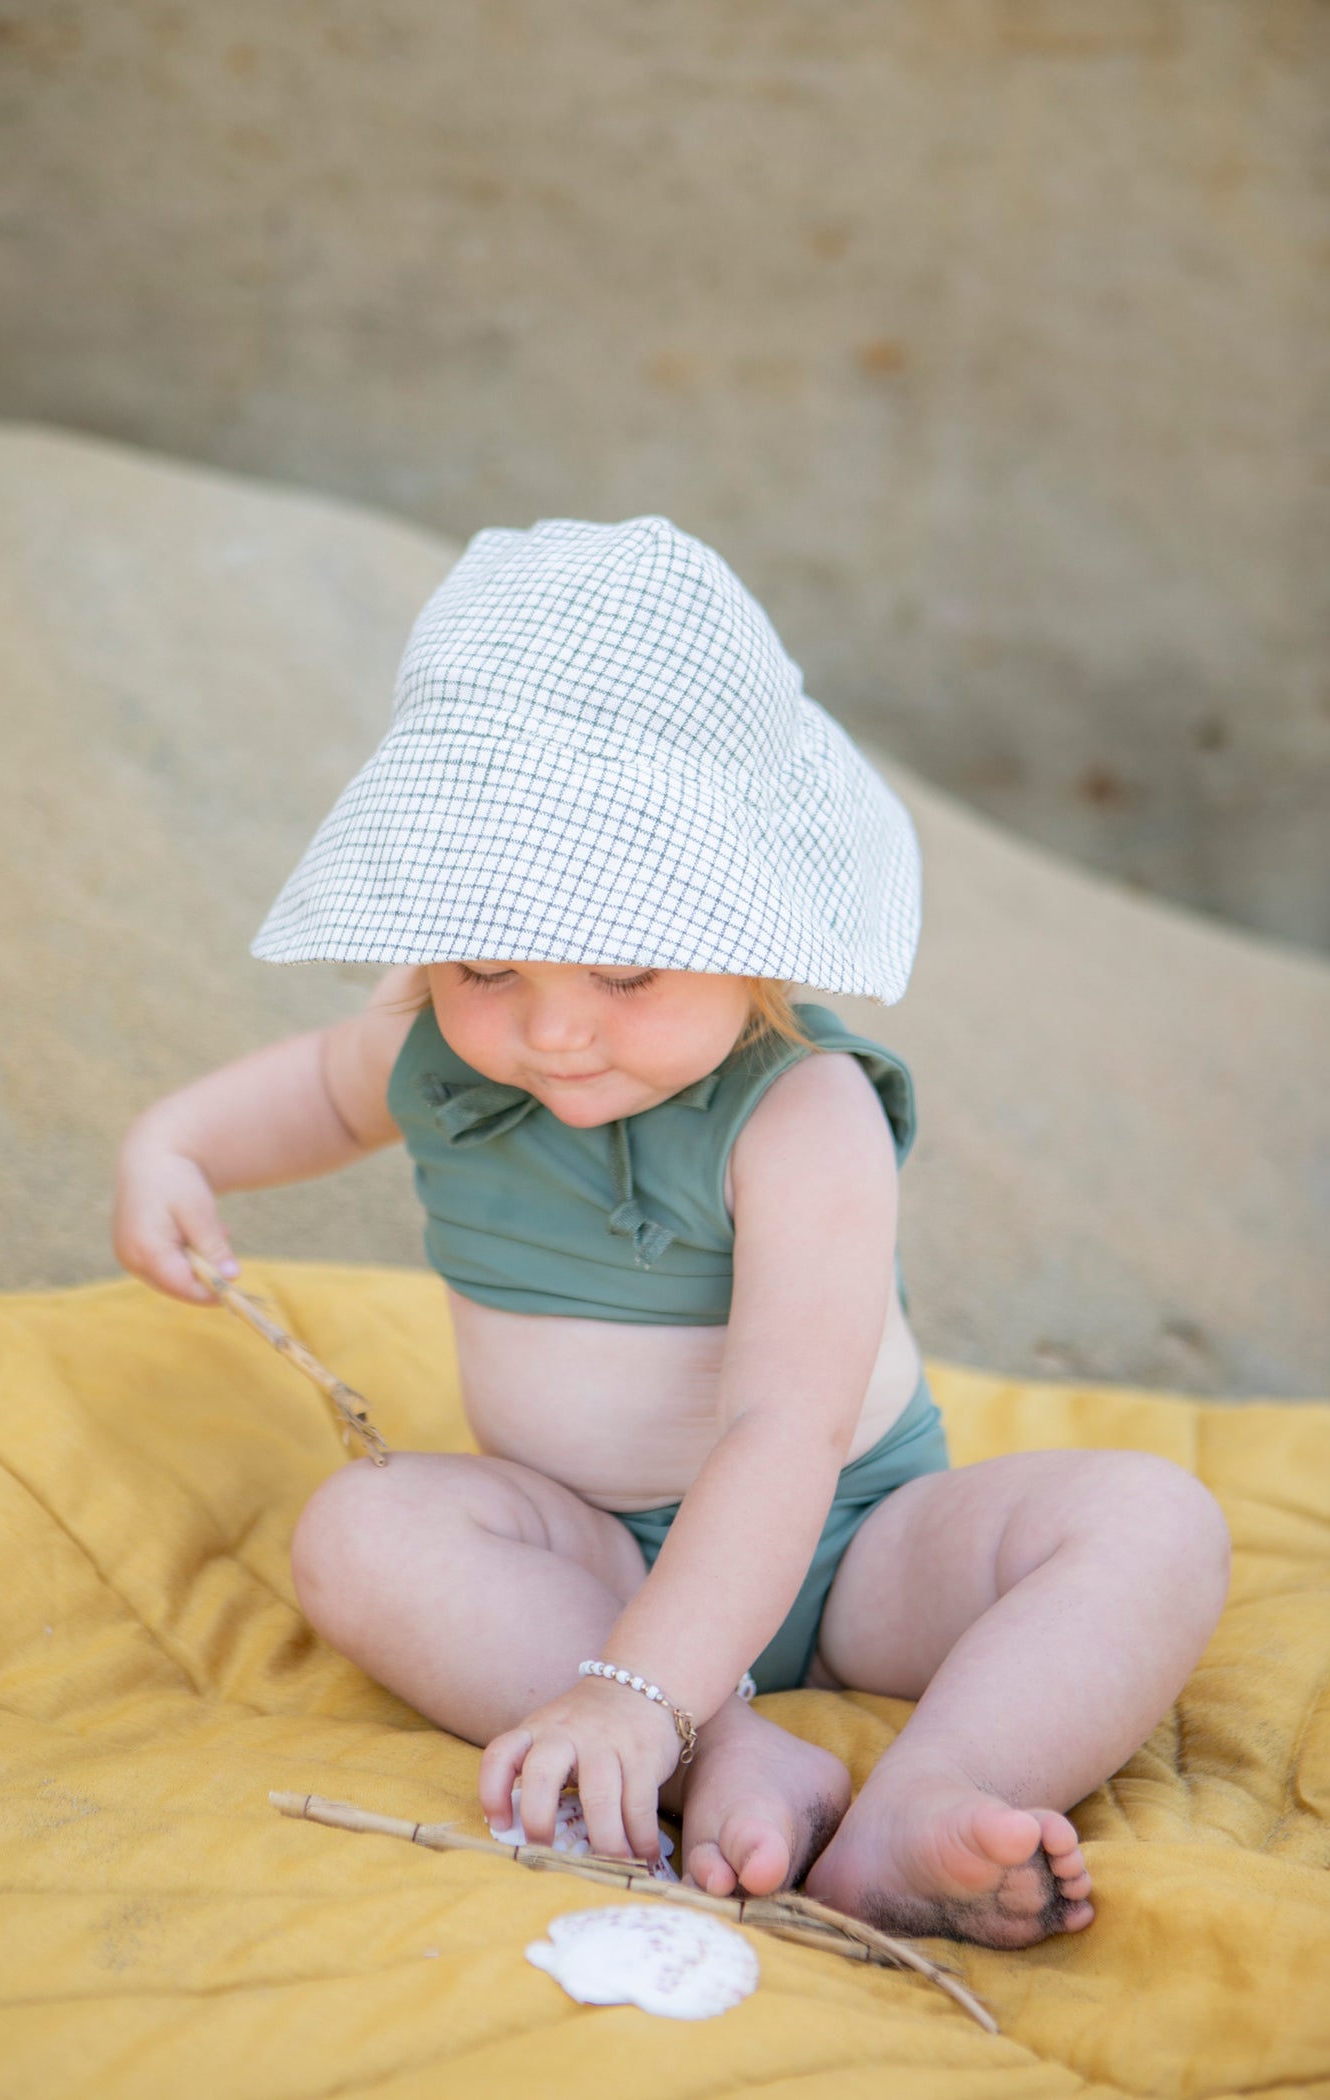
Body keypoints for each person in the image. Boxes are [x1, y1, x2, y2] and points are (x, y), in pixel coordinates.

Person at [113, 517, 1231, 1946]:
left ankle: (929, 1798)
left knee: (1151, 1523)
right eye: (488, 964)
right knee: (359, 1531)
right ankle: (732, 1753)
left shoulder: (803, 1110)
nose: (553, 1029)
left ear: (750, 928)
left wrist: (643, 1687)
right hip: (586, 1559)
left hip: (857, 1547)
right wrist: (175, 1148)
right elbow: (315, 1096)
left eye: (628, 970)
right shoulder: (436, 1050)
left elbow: (784, 1428)